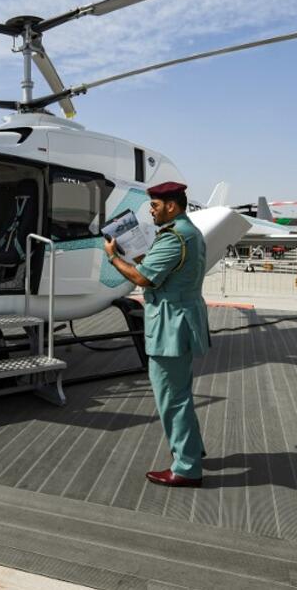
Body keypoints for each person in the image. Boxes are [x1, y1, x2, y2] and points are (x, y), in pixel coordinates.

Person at [104, 181, 210, 487]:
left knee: (172, 398)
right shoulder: (189, 232)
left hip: (170, 325)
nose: (151, 211)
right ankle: (193, 450)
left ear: (171, 206)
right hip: (183, 319)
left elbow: (143, 278)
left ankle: (187, 467)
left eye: (154, 206)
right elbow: (160, 270)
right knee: (181, 393)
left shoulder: (174, 237)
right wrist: (139, 258)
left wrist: (113, 256)